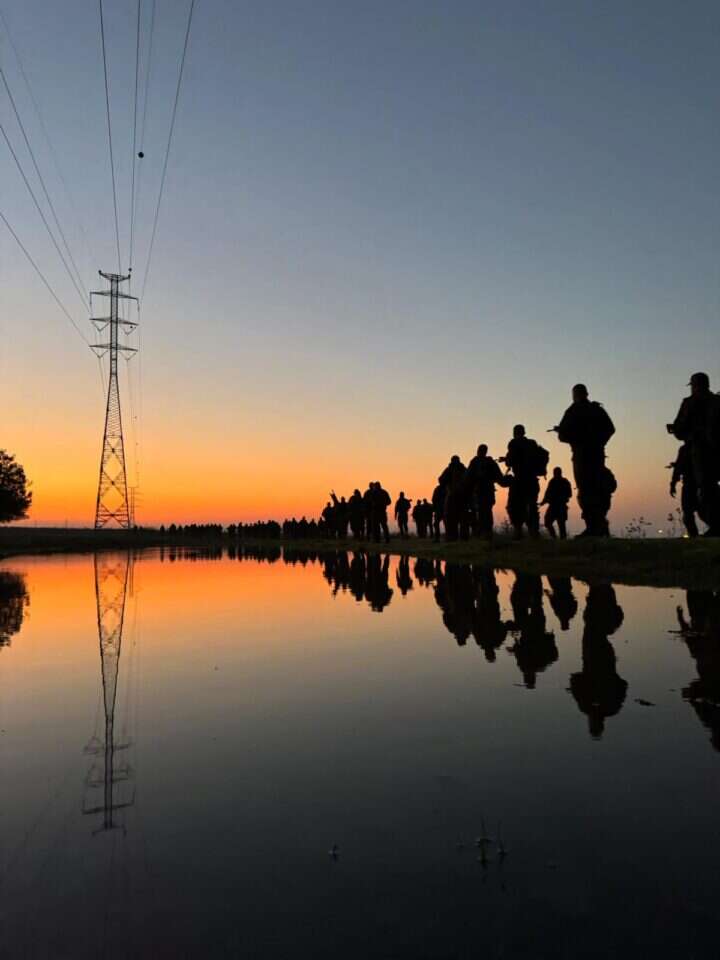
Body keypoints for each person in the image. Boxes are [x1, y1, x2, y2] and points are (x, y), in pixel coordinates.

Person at [556, 384, 615, 537]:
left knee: (586, 491)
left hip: (582, 456)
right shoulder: (596, 409)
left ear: (574, 395)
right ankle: (599, 525)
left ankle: (594, 527)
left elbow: (562, 436)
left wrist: (574, 437)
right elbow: (610, 429)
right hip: (596, 455)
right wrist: (599, 442)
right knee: (597, 489)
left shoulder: (573, 411)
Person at [668, 373, 720, 536]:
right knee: (704, 490)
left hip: (700, 451)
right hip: (708, 452)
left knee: (706, 491)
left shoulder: (690, 403)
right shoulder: (716, 402)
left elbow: (680, 428)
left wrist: (679, 430)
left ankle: (716, 526)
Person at [504, 425, 545, 538]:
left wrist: (506, 460)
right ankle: (534, 532)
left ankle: (518, 531)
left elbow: (510, 461)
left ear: (515, 432)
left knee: (514, 506)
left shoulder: (513, 443)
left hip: (520, 480)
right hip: (532, 480)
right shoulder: (532, 443)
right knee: (532, 506)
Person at [466, 444, 507, 538]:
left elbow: (467, 477)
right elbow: (500, 478)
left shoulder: (475, 462)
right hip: (488, 491)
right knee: (487, 511)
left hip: (480, 492)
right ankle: (487, 532)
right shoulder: (490, 462)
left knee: (482, 512)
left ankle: (484, 532)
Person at [669, 444, 699, 537]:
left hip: (697, 484)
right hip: (690, 484)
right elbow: (678, 467)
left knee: (693, 512)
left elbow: (678, 467)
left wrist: (673, 483)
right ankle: (694, 535)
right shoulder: (685, 449)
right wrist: (673, 483)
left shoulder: (689, 448)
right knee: (688, 513)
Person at [438, 455, 468, 541]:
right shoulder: (461, 469)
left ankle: (455, 537)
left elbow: (440, 480)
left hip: (455, 496)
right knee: (457, 517)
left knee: (454, 517)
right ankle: (459, 537)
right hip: (458, 496)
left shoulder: (456, 469)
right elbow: (441, 480)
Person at [541, 466, 573, 539]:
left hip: (560, 506)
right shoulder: (553, 481)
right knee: (548, 522)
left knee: (561, 525)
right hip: (554, 506)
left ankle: (560, 541)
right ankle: (555, 538)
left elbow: (569, 494)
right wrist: (543, 502)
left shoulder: (564, 482)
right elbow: (547, 493)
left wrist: (559, 497)